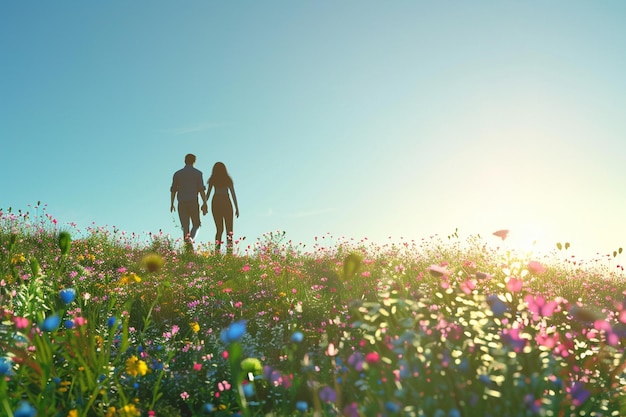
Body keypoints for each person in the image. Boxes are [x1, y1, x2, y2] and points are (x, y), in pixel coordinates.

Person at [170, 154, 208, 245]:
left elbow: (173, 190)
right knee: (196, 224)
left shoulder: (177, 174)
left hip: (181, 203)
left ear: (185, 161)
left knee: (185, 227)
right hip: (193, 202)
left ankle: (187, 248)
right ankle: (191, 238)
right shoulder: (198, 173)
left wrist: (172, 203)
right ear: (194, 161)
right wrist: (205, 202)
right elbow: (201, 189)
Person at [206, 162, 239, 254]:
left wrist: (204, 204)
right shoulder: (227, 179)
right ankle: (229, 254)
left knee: (219, 229)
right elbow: (233, 194)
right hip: (226, 201)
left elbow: (207, 194)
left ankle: (217, 252)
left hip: (216, 202)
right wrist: (236, 207)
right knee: (229, 230)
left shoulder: (213, 179)